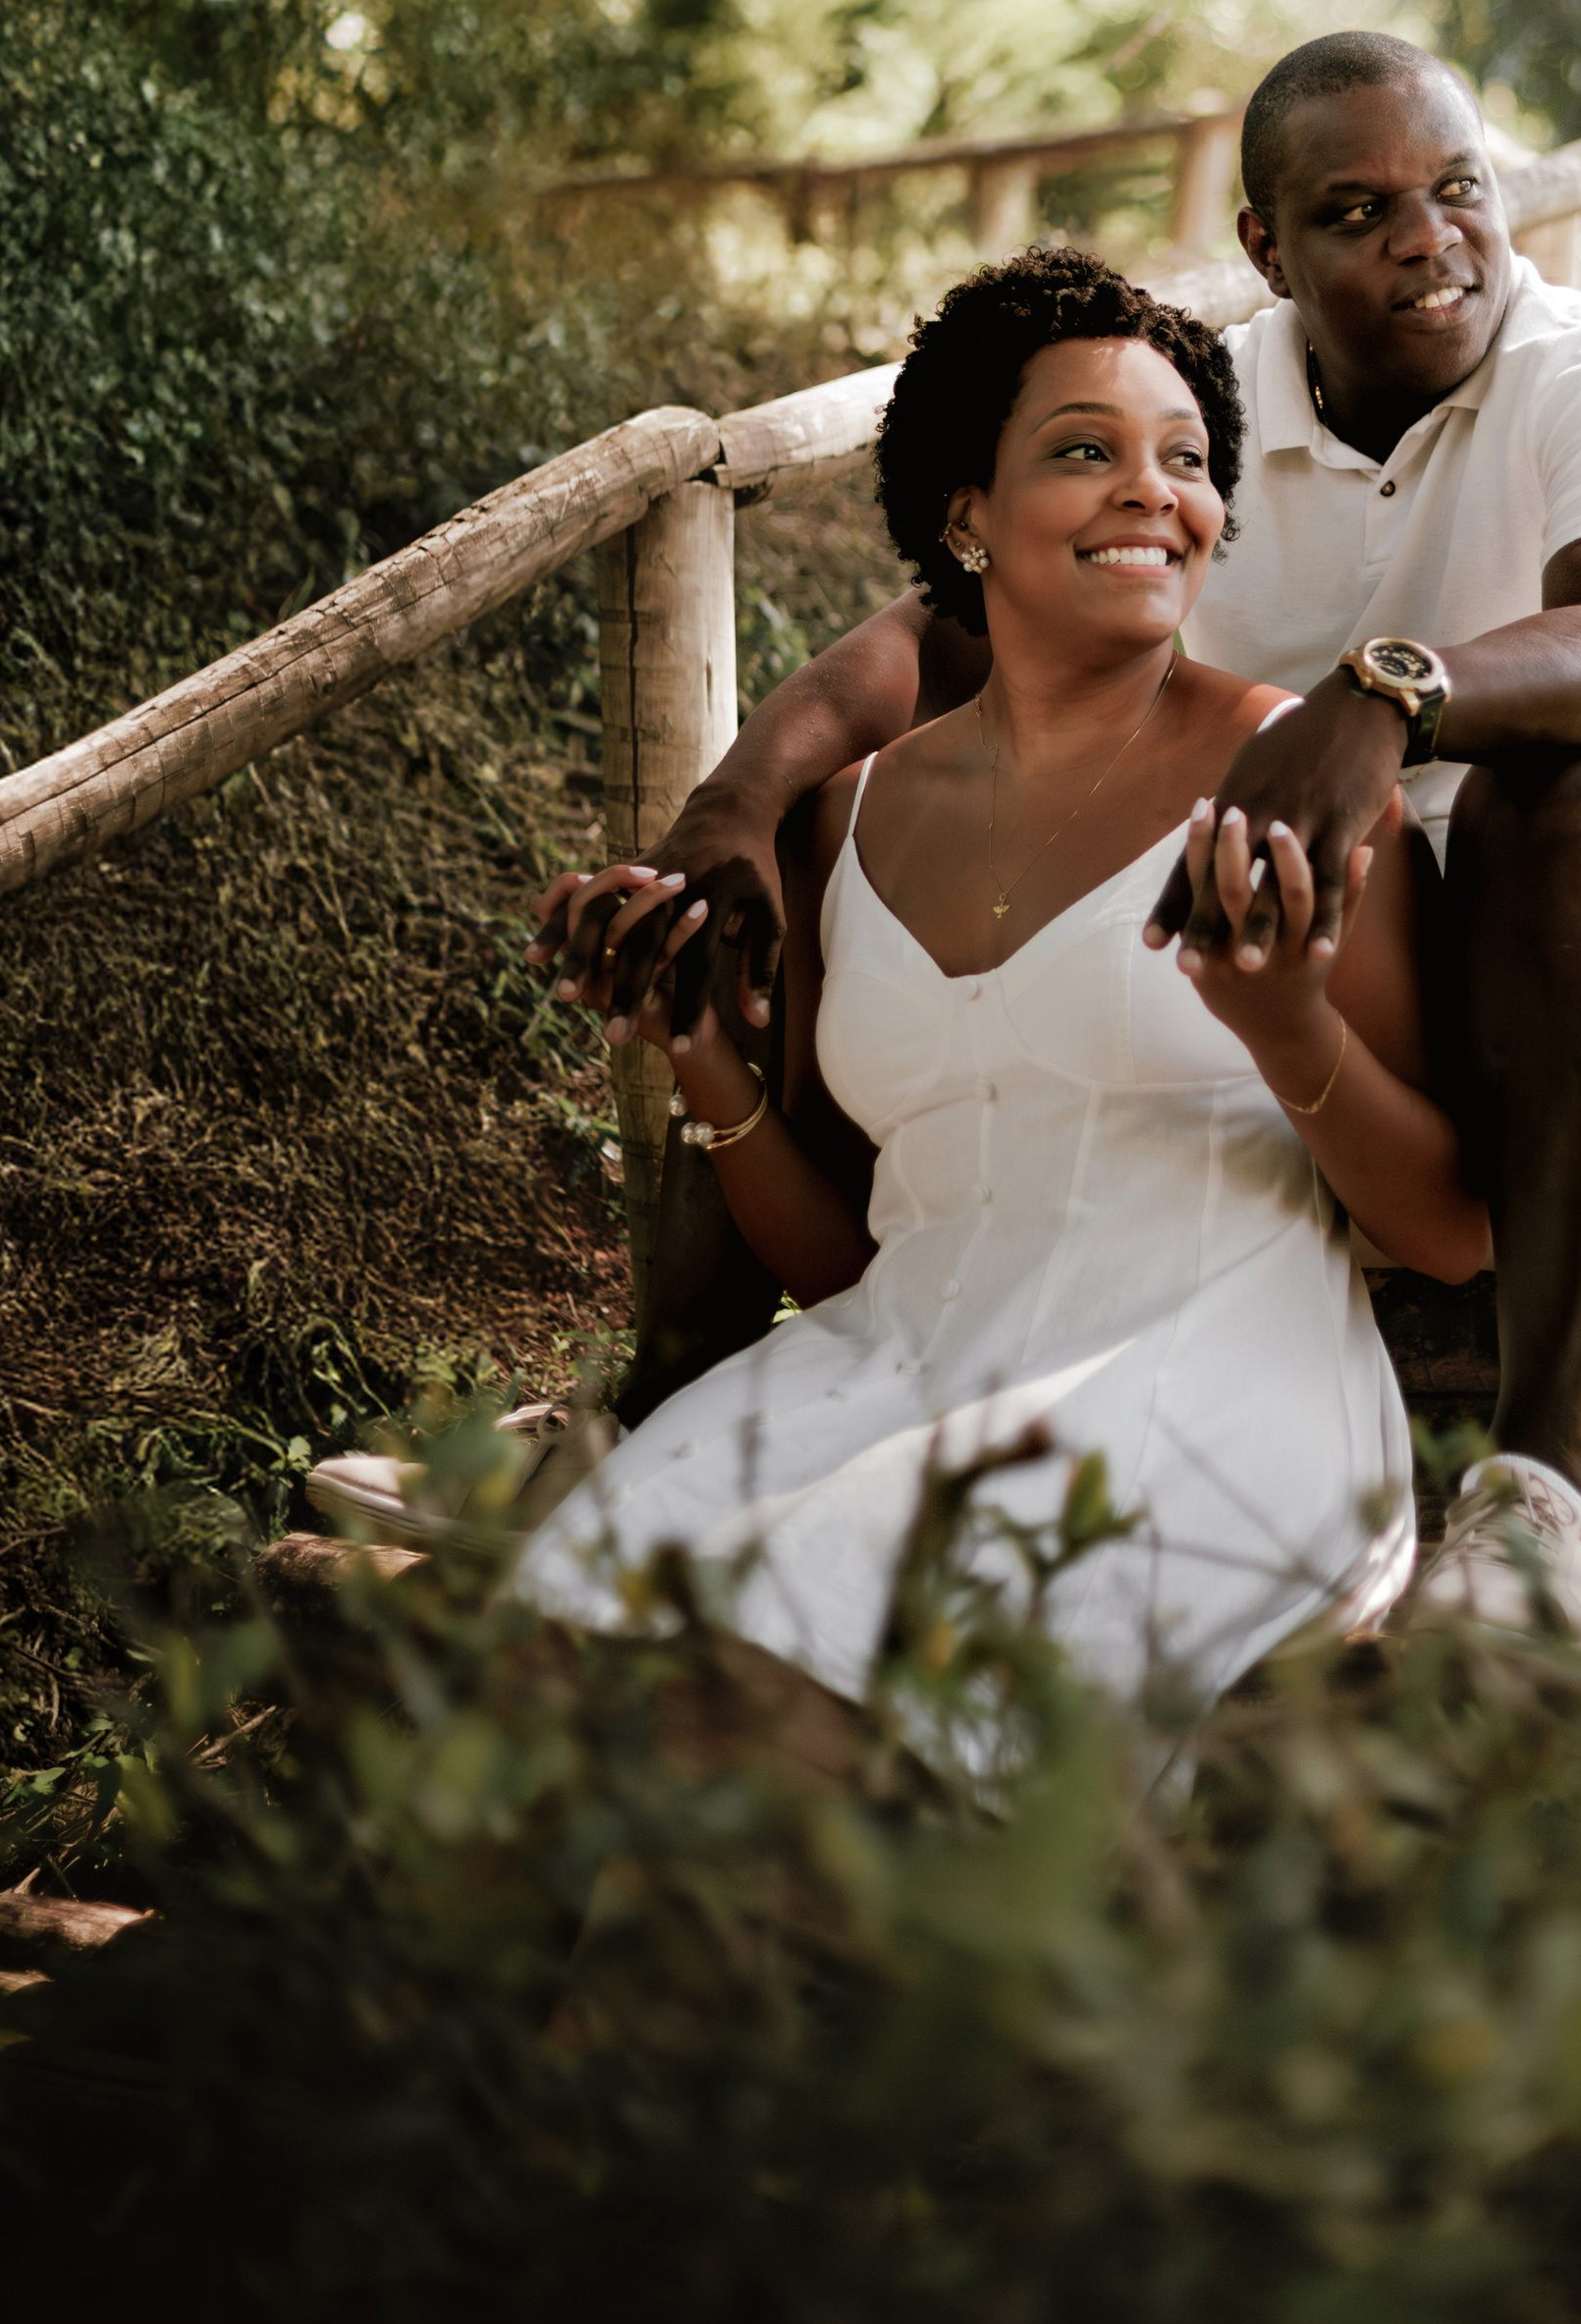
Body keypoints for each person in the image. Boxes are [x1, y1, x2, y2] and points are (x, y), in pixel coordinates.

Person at [540, 31, 1581, 1650]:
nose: (1431, 237)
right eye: (1362, 210)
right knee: (805, 876)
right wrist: (733, 813)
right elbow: (928, 635)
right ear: (1266, 247)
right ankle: (673, 1401)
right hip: (1298, 959)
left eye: (1460, 190)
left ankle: (1540, 1483)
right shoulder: (1203, 398)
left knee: (1552, 799)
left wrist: (1388, 696)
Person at [518, 251, 1485, 1715]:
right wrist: (709, 1060)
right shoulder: (849, 821)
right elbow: (861, 1262)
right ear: (965, 512)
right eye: (1085, 451)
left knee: (759, 1690)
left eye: (1188, 459)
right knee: (552, 1650)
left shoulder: (1286, 778)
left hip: (1200, 1395)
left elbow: (1453, 1230)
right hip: (882, 1379)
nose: (1154, 492)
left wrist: (1288, 1030)